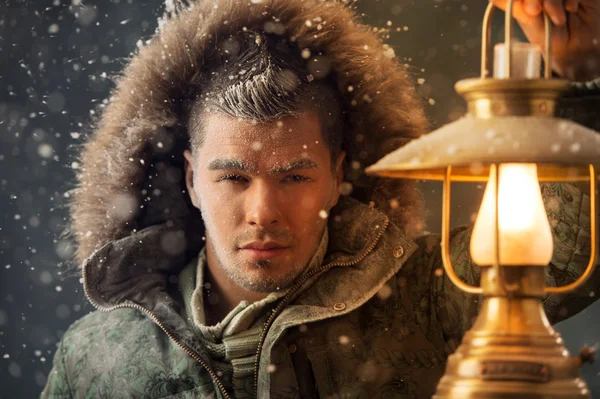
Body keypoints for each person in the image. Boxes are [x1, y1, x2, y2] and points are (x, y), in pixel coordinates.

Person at [41, 0, 600, 398]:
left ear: (336, 176)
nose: (262, 211)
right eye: (234, 178)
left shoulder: (423, 298)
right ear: (191, 180)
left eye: (293, 176)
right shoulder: (98, 357)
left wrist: (582, 76)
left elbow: (565, 260)